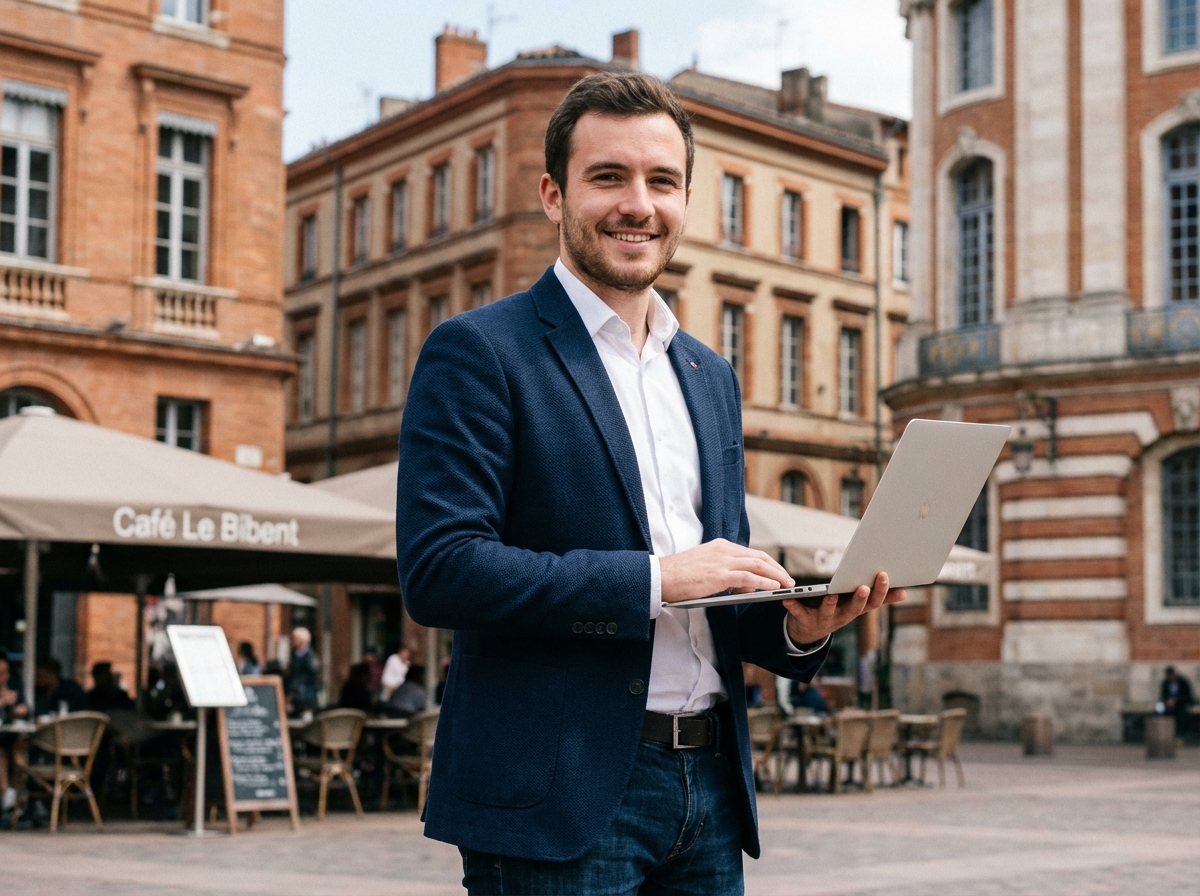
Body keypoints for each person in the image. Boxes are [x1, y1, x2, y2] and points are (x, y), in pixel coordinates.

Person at [395, 71, 904, 894]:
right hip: (555, 795)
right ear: (554, 195)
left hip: (709, 789)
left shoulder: (709, 375)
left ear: (685, 200)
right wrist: (658, 578)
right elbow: (441, 571)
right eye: (609, 177)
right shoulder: (481, 352)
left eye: (661, 181)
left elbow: (713, 609)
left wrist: (801, 628)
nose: (638, 204)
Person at [0, 654, 27, 812]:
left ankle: (17, 795)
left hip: (10, 737)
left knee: (21, 747)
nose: (4, 677)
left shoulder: (13, 687)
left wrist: (20, 710)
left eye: (6, 673)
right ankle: (6, 792)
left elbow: (25, 708)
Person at [286, 627, 320, 715]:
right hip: (296, 696)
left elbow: (310, 674)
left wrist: (293, 692)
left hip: (305, 695)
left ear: (303, 640)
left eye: (295, 638)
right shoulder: (295, 654)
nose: (293, 641)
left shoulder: (309, 656)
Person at [1160, 666, 1195, 742]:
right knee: (1161, 713)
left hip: (1181, 704)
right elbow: (1163, 695)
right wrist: (1167, 701)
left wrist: (1176, 701)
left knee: (1181, 716)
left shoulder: (1182, 681)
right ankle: (1166, 735)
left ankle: (1180, 735)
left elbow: (1186, 695)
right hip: (1169, 704)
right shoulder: (1166, 682)